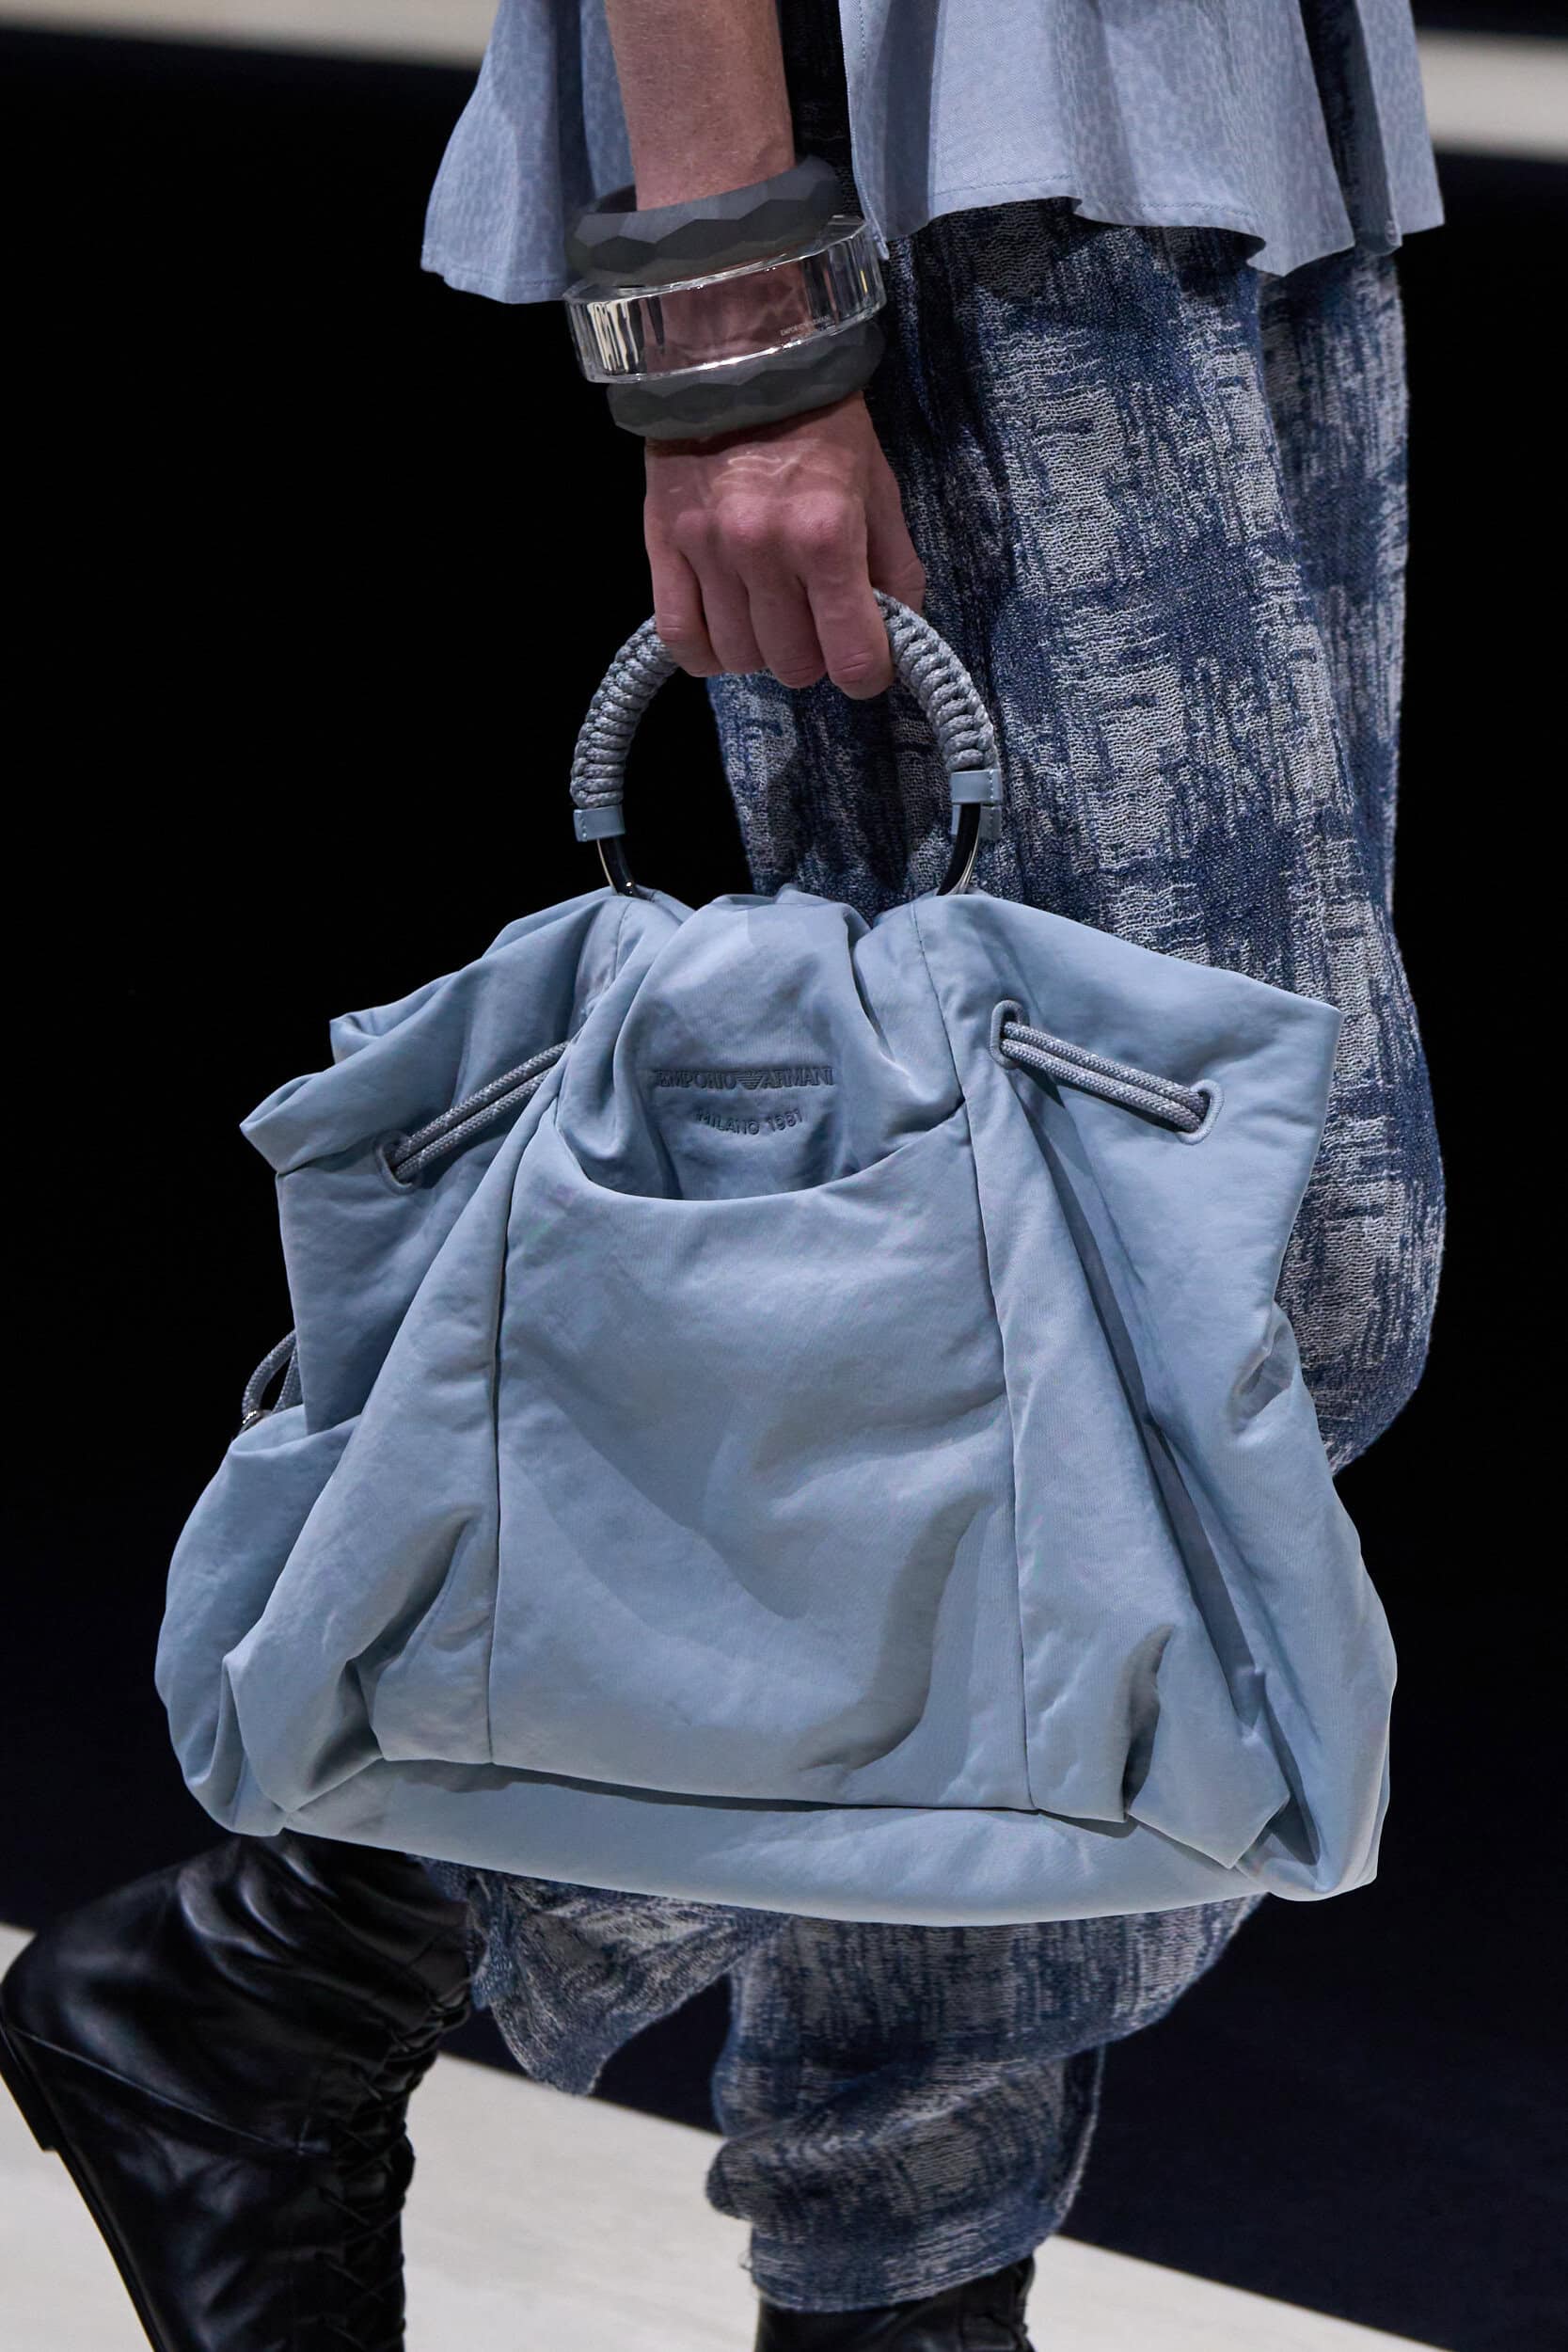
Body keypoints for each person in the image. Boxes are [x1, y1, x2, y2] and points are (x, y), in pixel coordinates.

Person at [0, 5, 1445, 2349]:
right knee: (1179, 1292)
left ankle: (321, 1982)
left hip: (1249, 122)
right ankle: (384, 2011)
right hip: (963, 164)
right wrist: (733, 319)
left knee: (1100, 1316)